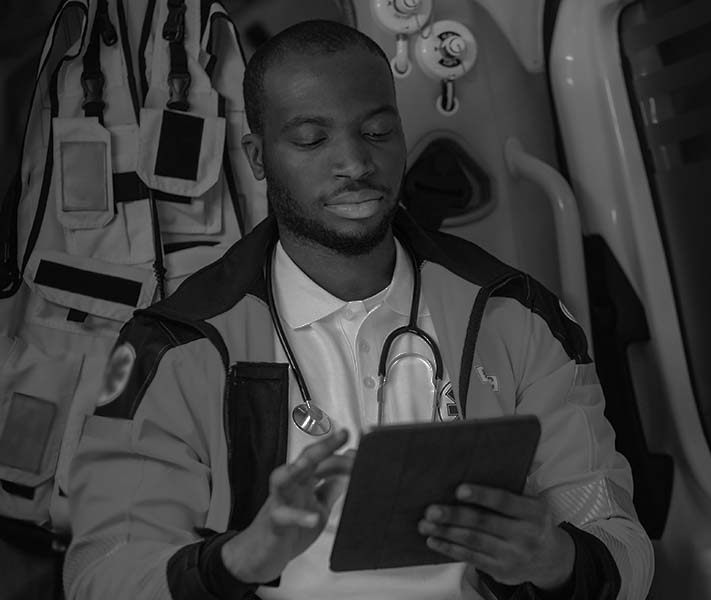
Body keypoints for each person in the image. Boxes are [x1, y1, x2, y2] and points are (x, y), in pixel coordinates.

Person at [63, 19, 654, 600]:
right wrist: (239, 561)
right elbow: (102, 574)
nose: (353, 163)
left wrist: (555, 561)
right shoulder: (175, 347)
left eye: (376, 132)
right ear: (258, 155)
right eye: (311, 139)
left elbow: (621, 543)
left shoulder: (517, 316)